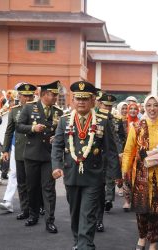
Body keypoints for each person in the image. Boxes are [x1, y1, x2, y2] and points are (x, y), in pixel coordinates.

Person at [51, 81, 120, 250]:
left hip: (94, 176)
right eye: (78, 98)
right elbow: (57, 146)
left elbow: (111, 151)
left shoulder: (102, 121)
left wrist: (116, 175)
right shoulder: (64, 120)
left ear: (92, 100)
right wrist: (56, 166)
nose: (81, 102)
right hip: (71, 174)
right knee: (75, 213)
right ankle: (79, 241)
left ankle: (85, 245)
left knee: (88, 213)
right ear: (73, 100)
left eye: (85, 98)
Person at [122, 95, 158, 250]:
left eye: (155, 105)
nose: (152, 109)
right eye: (149, 105)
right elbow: (128, 151)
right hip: (141, 175)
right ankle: (142, 236)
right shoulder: (137, 127)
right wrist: (125, 170)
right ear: (144, 108)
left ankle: (153, 242)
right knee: (142, 210)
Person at [16, 80, 63, 233]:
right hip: (32, 154)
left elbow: (61, 132)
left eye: (56, 95)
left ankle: (50, 220)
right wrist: (32, 128)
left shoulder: (58, 112)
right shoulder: (30, 108)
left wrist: (56, 137)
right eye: (52, 94)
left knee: (49, 188)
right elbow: (19, 126)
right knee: (32, 187)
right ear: (43, 95)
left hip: (49, 156)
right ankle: (33, 215)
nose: (55, 97)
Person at [0, 83, 36, 218]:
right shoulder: (14, 110)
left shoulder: (39, 109)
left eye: (30, 96)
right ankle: (24, 208)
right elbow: (9, 132)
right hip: (18, 147)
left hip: (34, 148)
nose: (27, 99)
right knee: (19, 178)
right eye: (24, 96)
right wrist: (5, 150)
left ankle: (36, 206)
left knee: (33, 180)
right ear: (19, 96)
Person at [95, 93, 125, 232]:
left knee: (110, 178)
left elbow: (117, 138)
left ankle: (107, 200)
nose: (107, 108)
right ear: (99, 104)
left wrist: (119, 152)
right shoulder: (93, 117)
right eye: (105, 105)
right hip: (96, 157)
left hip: (110, 154)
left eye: (109, 106)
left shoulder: (115, 119)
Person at [122, 102, 140, 211]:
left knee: (137, 177)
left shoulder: (141, 123)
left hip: (138, 155)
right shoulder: (123, 122)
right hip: (125, 154)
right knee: (126, 176)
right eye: (131, 108)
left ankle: (137, 200)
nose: (133, 111)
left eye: (135, 109)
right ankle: (127, 201)